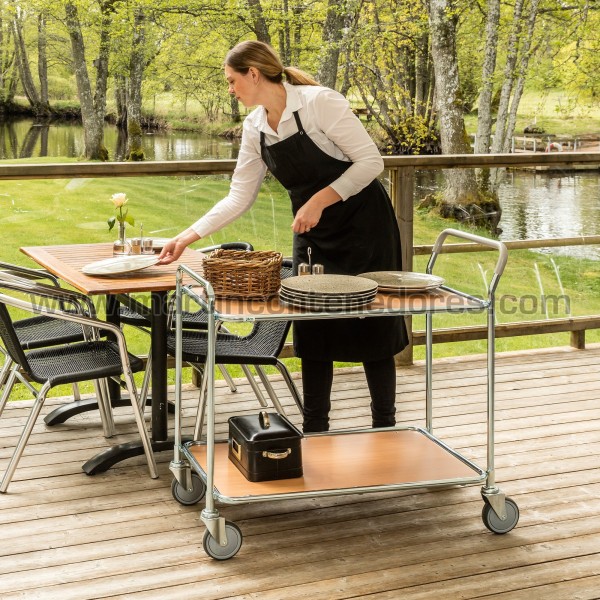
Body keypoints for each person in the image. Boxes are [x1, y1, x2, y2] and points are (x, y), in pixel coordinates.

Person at [158, 40, 408, 432]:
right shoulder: (255, 127)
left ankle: (385, 427)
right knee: (312, 328)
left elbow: (371, 162)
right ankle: (314, 429)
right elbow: (239, 195)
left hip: (364, 228)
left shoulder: (319, 102)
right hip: (314, 235)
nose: (230, 89)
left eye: (231, 80)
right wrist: (186, 236)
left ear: (253, 74)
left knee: (371, 325)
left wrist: (320, 200)